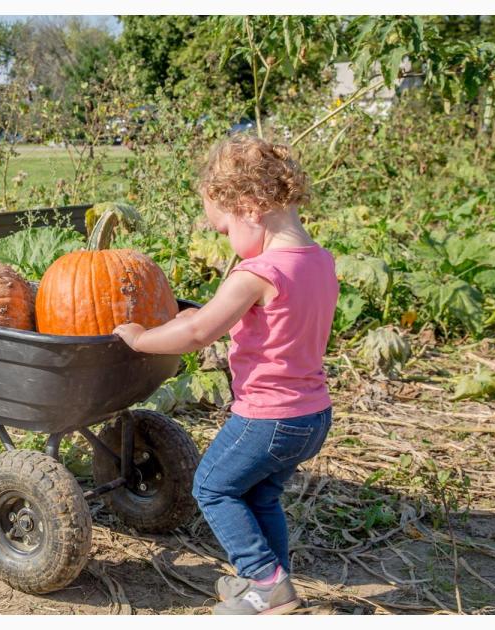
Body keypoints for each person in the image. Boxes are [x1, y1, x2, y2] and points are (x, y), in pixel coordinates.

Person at [113, 135, 339, 615]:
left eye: (223, 228)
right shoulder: (319, 260)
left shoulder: (259, 273)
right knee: (261, 495)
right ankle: (273, 586)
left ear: (251, 207)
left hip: (269, 418)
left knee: (212, 486)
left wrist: (139, 338)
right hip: (312, 415)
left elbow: (199, 331)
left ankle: (264, 581)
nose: (225, 242)